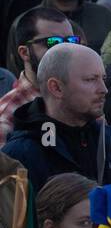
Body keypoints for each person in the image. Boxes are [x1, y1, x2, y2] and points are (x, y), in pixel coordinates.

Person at [2, 42, 111, 200]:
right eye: (90, 79)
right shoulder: (20, 155)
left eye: (103, 79)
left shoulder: (109, 142)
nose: (104, 89)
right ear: (56, 88)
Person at [0, 9, 76, 145]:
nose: (65, 49)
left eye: (71, 41)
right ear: (24, 52)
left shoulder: (83, 97)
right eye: (53, 42)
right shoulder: (7, 116)